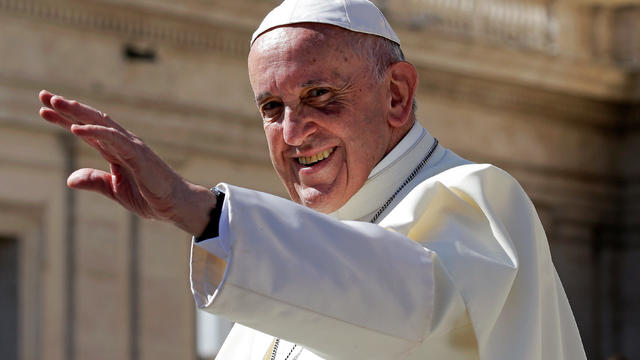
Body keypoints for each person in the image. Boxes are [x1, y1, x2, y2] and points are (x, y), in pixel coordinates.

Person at [38, 0, 587, 359]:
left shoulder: (476, 199)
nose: (294, 132)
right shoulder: (276, 277)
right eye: (272, 107)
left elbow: (409, 304)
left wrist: (203, 213)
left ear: (396, 95)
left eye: (319, 96)